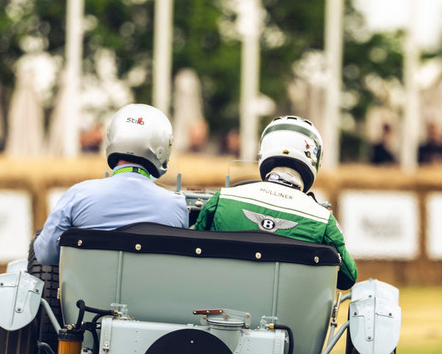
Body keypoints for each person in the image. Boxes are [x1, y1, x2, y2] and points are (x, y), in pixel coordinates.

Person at [193, 115, 357, 290]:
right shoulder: (323, 220)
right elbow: (348, 277)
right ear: (314, 159)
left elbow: (194, 251)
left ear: (264, 149)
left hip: (218, 310)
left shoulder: (222, 199)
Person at [32, 103, 188, 266]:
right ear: (162, 149)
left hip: (87, 291)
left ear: (112, 138)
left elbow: (45, 254)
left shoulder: (78, 195)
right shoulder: (176, 206)